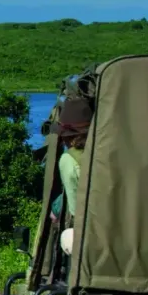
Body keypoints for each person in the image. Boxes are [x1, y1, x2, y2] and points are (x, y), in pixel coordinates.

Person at [48, 98, 94, 255]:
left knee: (67, 237)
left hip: (95, 231)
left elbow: (76, 209)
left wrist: (55, 209)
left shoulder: (69, 160)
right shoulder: (105, 151)